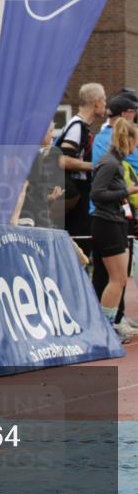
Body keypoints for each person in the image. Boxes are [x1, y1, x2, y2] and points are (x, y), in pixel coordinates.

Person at [91, 92, 138, 334]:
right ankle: (105, 328)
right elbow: (97, 194)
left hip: (115, 221)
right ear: (127, 140)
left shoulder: (116, 162)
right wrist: (125, 191)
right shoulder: (109, 163)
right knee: (115, 279)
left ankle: (108, 326)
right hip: (107, 223)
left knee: (119, 280)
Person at [55, 82, 107, 252]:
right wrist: (94, 166)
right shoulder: (76, 127)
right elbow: (62, 159)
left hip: (80, 193)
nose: (106, 105)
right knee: (79, 245)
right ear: (97, 102)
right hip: (75, 194)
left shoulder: (81, 126)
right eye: (104, 100)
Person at [11, 121, 64, 229]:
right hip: (30, 219)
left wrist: (50, 197)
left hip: (34, 216)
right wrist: (14, 219)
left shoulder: (31, 154)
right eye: (50, 131)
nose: (53, 135)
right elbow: (23, 187)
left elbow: (33, 193)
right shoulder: (34, 155)